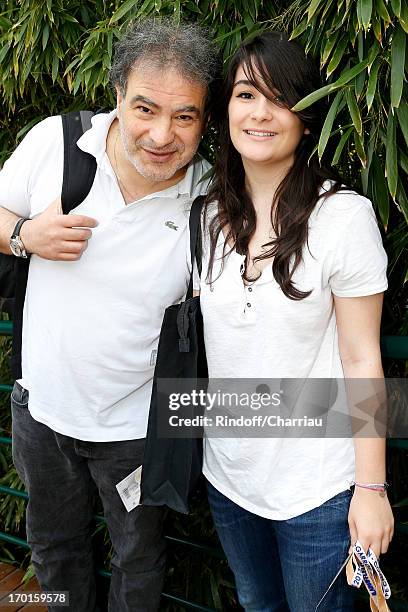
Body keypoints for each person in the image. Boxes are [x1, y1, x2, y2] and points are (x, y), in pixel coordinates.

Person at [0, 18, 218, 612]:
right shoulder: (58, 144)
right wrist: (25, 234)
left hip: (140, 431)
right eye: (145, 108)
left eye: (185, 116)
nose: (161, 134)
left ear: (204, 120)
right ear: (118, 95)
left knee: (140, 561)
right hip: (42, 411)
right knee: (52, 549)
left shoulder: (211, 197)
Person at [197, 31, 394, 611]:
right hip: (228, 477)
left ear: (307, 118)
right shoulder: (206, 215)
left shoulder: (343, 218)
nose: (259, 113)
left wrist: (372, 488)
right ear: (225, 110)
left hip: (319, 488)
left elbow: (363, 358)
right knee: (257, 605)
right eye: (245, 94)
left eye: (279, 98)